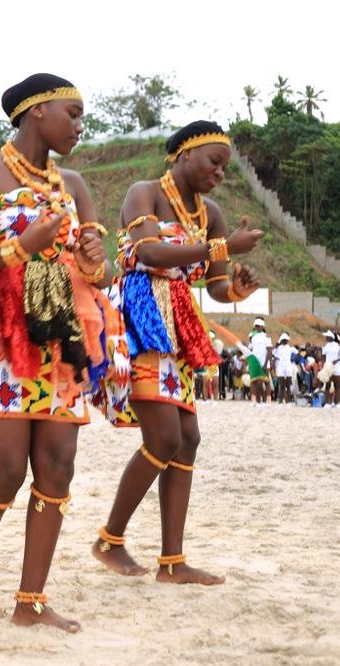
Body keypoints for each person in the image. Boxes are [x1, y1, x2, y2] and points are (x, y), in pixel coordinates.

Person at [0, 74, 120, 633]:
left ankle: (31, 600)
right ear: (36, 112)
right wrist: (20, 247)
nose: (81, 125)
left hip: (62, 335)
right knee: (7, 468)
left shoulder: (75, 184)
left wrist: (90, 258)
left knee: (57, 466)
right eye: (72, 113)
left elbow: (97, 273)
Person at [91, 121, 263, 586]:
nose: (220, 173)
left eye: (225, 167)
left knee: (188, 439)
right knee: (164, 438)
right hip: (141, 317)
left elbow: (218, 284)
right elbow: (148, 251)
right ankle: (110, 539)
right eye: (214, 162)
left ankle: (172, 561)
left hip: (180, 324)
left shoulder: (213, 214)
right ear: (186, 155)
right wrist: (221, 246)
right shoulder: (143, 192)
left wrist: (237, 291)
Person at [248, 318, 272, 404]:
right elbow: (252, 352)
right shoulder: (254, 337)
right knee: (255, 383)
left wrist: (266, 364)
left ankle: (268, 401)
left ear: (262, 326)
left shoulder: (266, 337)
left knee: (266, 382)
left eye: (259, 326)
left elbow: (269, 351)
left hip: (264, 363)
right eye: (256, 326)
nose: (257, 327)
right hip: (255, 363)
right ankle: (257, 402)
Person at [322, 330, 340, 407]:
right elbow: (324, 358)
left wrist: (336, 361)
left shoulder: (338, 347)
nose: (325, 337)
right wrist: (324, 367)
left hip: (337, 369)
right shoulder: (325, 347)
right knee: (328, 386)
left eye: (327, 336)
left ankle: (339, 403)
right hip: (328, 368)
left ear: (330, 337)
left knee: (338, 386)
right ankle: (327, 403)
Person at [272, 332, 297, 404]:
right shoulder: (278, 348)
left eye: (285, 339)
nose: (284, 341)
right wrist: (276, 347)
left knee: (288, 385)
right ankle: (280, 401)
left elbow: (297, 353)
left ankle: (288, 401)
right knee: (281, 385)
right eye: (283, 340)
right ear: (281, 340)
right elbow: (273, 354)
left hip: (288, 366)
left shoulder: (290, 348)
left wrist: (293, 359)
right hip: (280, 367)